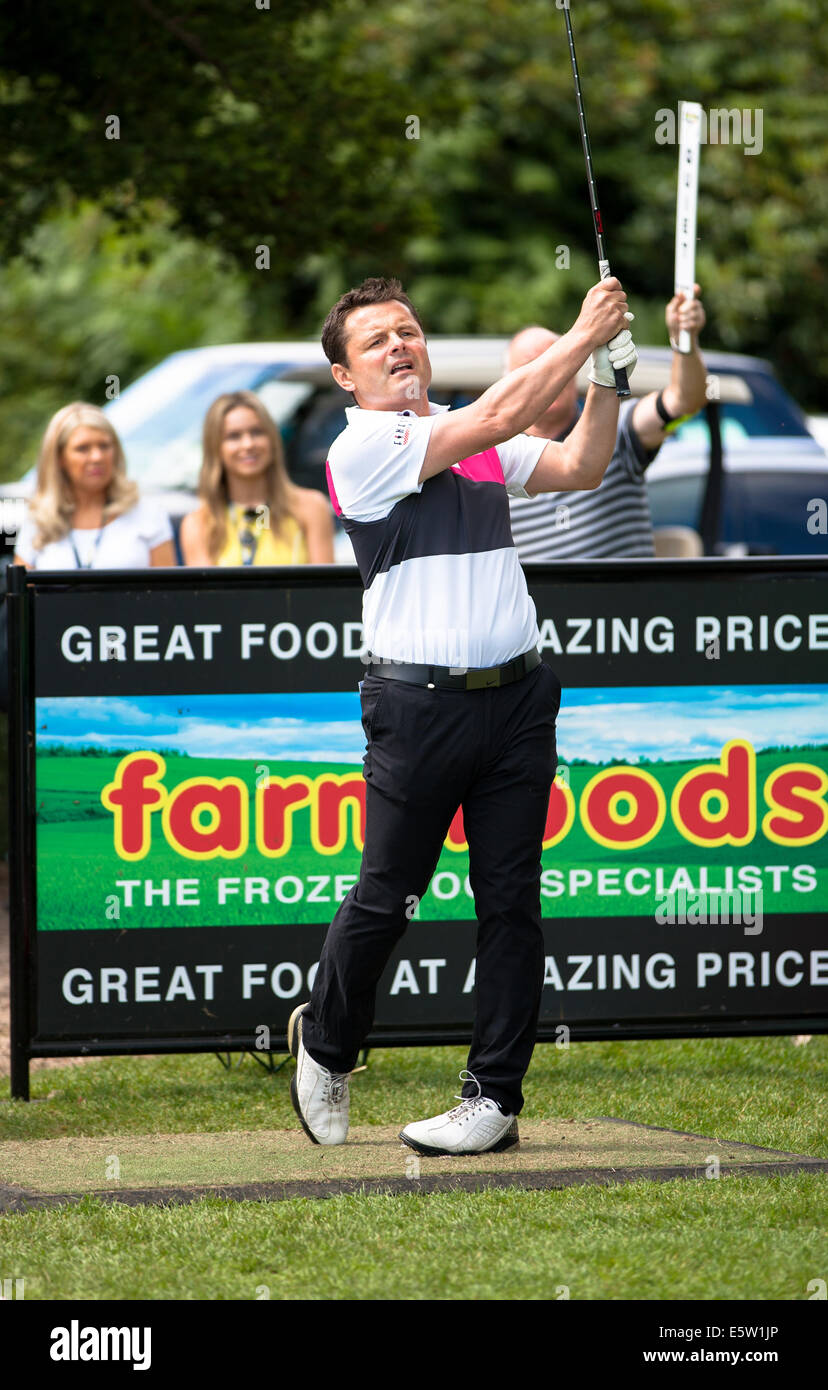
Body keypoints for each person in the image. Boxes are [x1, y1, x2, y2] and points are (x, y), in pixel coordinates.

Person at [287, 274, 637, 1154]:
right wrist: (580, 331)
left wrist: (608, 375)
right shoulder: (365, 447)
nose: (401, 345)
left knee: (511, 903)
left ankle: (494, 1098)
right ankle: (327, 1045)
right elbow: (493, 419)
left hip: (517, 699)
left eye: (408, 329)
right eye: (377, 341)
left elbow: (582, 466)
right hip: (417, 705)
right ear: (345, 376)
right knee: (387, 896)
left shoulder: (469, 435)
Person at [507, 286, 707, 558]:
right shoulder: (500, 457)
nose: (549, 378)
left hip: (621, 598)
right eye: (533, 367)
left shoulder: (619, 427)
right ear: (509, 382)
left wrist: (684, 341)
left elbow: (685, 402)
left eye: (556, 363)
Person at [179, 390, 334, 565]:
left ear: (272, 439)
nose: (248, 444)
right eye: (234, 436)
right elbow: (205, 592)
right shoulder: (199, 524)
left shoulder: (311, 508)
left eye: (257, 432)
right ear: (215, 447)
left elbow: (323, 590)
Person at [13, 403, 175, 570]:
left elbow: (167, 592)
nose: (97, 457)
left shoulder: (147, 512)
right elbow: (23, 590)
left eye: (104, 446)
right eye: (83, 448)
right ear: (59, 458)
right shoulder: (39, 519)